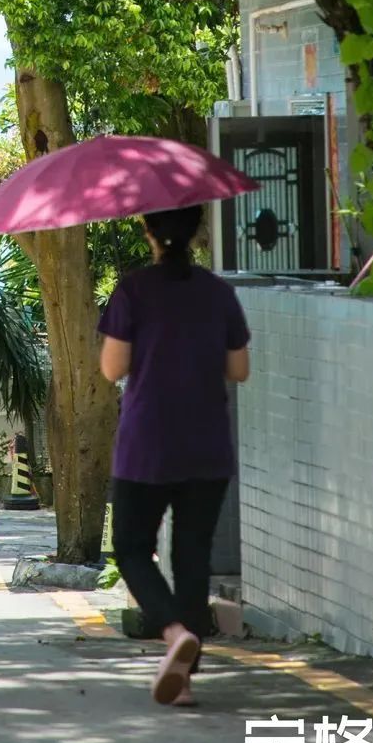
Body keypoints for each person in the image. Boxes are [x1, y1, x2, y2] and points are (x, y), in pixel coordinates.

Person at [98, 203, 250, 707]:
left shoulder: (133, 290)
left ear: (148, 230)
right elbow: (239, 369)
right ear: (196, 229)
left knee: (131, 547)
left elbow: (112, 368)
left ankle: (173, 633)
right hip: (207, 444)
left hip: (147, 445)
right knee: (192, 558)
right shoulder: (218, 293)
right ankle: (183, 679)